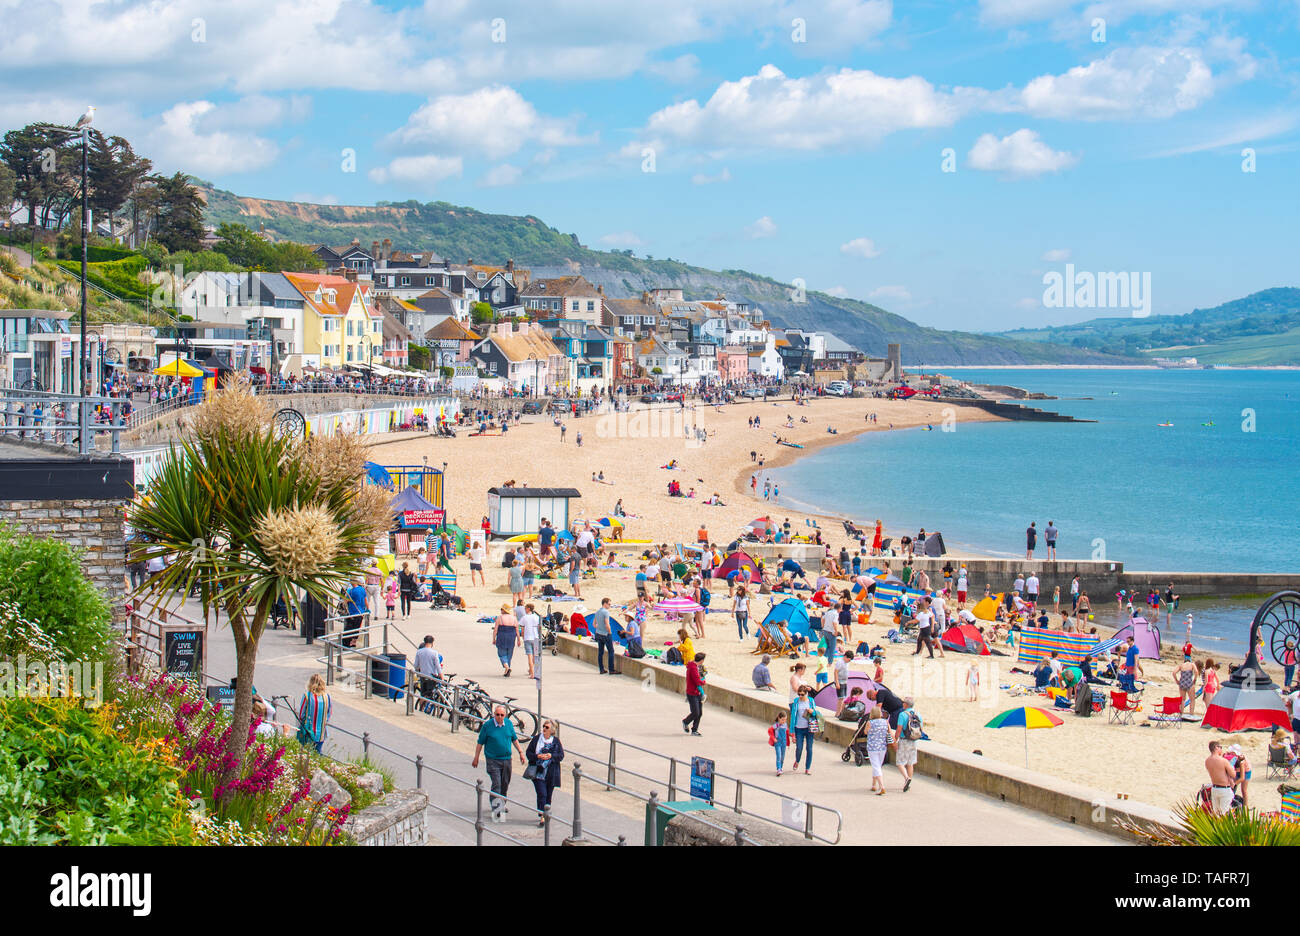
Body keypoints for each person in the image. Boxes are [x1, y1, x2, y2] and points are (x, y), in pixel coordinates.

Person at [472, 704, 527, 823]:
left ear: (505, 715)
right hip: (493, 760)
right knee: (496, 784)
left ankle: (501, 803)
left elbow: (514, 739)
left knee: (505, 784)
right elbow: (480, 743)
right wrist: (476, 757)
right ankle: (497, 809)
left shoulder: (508, 724)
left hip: (507, 759)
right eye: (497, 715)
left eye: (502, 715)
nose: (500, 717)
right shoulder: (487, 726)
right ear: (494, 714)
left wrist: (521, 752)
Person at [525, 719, 565, 826]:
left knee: (548, 795)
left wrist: (551, 756)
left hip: (551, 773)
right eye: (543, 726)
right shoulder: (537, 739)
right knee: (542, 793)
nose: (544, 729)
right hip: (538, 771)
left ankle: (544, 811)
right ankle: (543, 816)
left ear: (552, 730)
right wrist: (538, 756)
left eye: (546, 727)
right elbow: (528, 753)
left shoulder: (556, 741)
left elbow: (561, 756)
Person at [296, 673, 331, 754]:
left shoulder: (307, 695)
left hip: (308, 731)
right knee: (317, 753)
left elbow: (301, 714)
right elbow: (329, 713)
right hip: (321, 732)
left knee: (305, 753)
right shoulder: (327, 697)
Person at [1204, 741, 1237, 815]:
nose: (1221, 750)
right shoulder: (1223, 761)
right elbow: (1233, 774)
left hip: (1215, 788)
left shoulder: (1207, 761)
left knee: (1216, 813)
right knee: (1224, 812)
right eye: (1220, 747)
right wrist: (1232, 766)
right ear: (1216, 748)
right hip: (1224, 789)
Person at [790, 685, 816, 775]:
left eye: (802, 694)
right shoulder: (796, 702)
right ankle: (797, 761)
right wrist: (792, 732)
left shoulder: (811, 701)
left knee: (809, 748)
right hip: (799, 728)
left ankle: (807, 768)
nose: (800, 696)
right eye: (799, 694)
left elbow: (816, 713)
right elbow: (793, 716)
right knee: (799, 748)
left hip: (809, 728)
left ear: (806, 694)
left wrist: (812, 712)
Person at [895, 698, 920, 791]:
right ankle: (908, 783)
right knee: (910, 763)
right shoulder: (918, 714)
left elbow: (899, 729)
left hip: (904, 740)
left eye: (903, 703)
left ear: (906, 704)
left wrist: (895, 739)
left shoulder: (902, 714)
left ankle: (906, 778)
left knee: (900, 762)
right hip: (913, 740)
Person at [414, 635, 443, 714]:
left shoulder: (419, 652)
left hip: (423, 676)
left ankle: (421, 709)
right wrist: (441, 677)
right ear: (432, 643)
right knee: (431, 695)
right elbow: (438, 666)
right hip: (432, 677)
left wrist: (418, 670)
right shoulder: (434, 653)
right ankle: (428, 711)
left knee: (423, 694)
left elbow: (416, 665)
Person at [865, 705, 891, 794]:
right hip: (882, 746)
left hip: (872, 747)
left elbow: (865, 732)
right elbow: (889, 732)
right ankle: (873, 785)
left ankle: (882, 786)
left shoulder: (870, 722)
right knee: (877, 766)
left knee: (876, 766)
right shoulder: (885, 722)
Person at [590, 597, 617, 675]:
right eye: (609, 604)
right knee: (611, 651)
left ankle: (601, 669)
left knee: (600, 652)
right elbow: (607, 624)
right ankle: (611, 669)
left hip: (598, 633)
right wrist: (609, 632)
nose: (609, 606)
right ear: (605, 603)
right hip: (605, 634)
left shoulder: (597, 612)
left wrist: (599, 627)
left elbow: (594, 624)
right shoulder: (606, 612)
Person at [492, 603, 520, 677]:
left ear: (503, 610)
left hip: (502, 635)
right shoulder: (514, 618)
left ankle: (507, 667)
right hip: (511, 636)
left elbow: (495, 629)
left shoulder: (500, 618)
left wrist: (494, 638)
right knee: (509, 654)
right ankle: (507, 669)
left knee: (501, 653)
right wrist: (519, 640)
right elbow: (517, 629)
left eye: (501, 609)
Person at [682, 651, 706, 736]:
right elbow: (697, 681)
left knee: (699, 713)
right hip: (692, 693)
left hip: (697, 692)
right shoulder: (693, 668)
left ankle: (694, 730)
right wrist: (703, 681)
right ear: (702, 660)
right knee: (695, 712)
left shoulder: (694, 666)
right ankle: (685, 722)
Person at [343, 578, 368, 648]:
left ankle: (348, 642)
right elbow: (366, 600)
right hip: (361, 611)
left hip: (353, 612)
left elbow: (346, 600)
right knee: (357, 627)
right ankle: (354, 642)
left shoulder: (351, 591)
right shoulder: (362, 590)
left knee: (350, 627)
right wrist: (368, 609)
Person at [520, 602, 542, 679]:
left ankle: (532, 673)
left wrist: (522, 637)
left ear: (528, 609)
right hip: (535, 637)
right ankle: (534, 671)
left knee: (529, 656)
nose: (525, 610)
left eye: (525, 608)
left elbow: (522, 630)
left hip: (527, 637)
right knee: (535, 656)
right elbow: (540, 628)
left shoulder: (524, 617)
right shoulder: (536, 617)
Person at [770, 711, 791, 776]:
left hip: (783, 743)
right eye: (782, 720)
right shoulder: (776, 725)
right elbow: (770, 731)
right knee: (779, 756)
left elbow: (787, 732)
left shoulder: (785, 725)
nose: (784, 721)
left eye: (785, 720)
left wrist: (792, 736)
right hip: (778, 742)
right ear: (779, 718)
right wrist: (773, 738)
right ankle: (778, 769)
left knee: (782, 756)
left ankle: (781, 767)